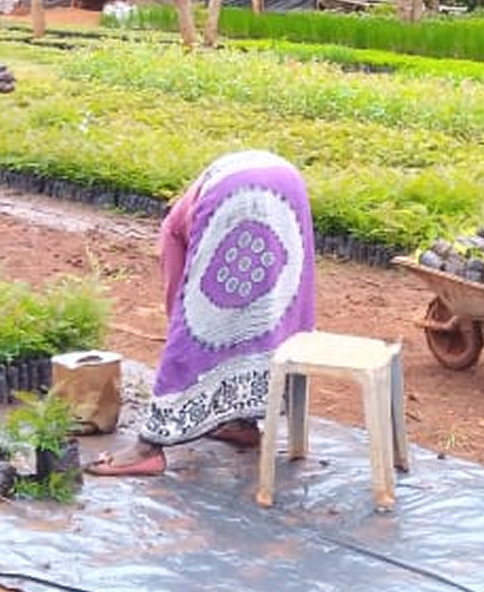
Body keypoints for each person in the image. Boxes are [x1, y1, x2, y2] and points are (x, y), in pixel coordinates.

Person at [85, 150, 317, 476]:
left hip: (236, 192)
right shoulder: (197, 197)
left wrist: (181, 337)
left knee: (197, 325)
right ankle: (241, 423)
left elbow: (182, 304)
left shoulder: (171, 231)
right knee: (271, 305)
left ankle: (148, 449)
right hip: (287, 182)